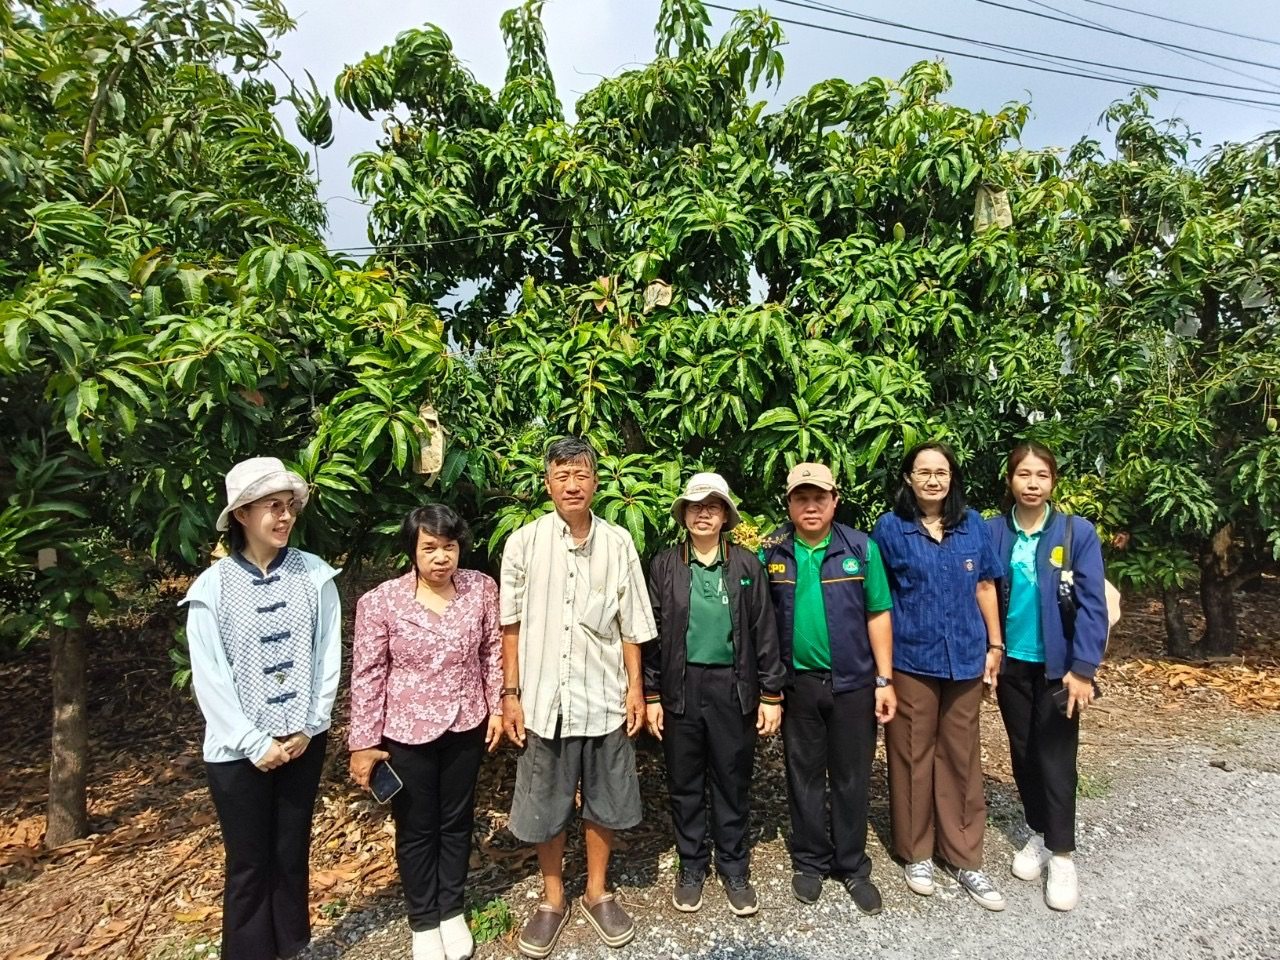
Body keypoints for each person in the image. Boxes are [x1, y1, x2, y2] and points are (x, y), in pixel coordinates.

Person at [498, 437, 657, 958]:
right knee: (546, 804)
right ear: (547, 483)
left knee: (605, 802)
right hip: (544, 698)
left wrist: (636, 688)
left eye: (581, 474)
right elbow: (511, 626)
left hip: (605, 696)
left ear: (595, 482)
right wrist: (511, 693)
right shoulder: (523, 544)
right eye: (562, 475)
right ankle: (551, 899)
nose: (572, 484)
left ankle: (596, 891)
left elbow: (632, 624)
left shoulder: (618, 544)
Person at [181, 456, 342, 960]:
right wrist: (253, 741)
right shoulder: (211, 589)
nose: (284, 516)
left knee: (291, 853)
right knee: (249, 862)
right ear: (243, 515)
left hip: (301, 741)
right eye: (272, 506)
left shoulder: (315, 576)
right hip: (236, 752)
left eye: (289, 506)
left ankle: (293, 946)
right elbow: (210, 677)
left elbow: (327, 655)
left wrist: (310, 726)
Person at [348, 505, 505, 960]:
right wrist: (364, 741)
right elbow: (369, 674)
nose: (441, 557)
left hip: (466, 723)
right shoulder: (381, 602)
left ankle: (451, 909)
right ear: (412, 551)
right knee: (416, 827)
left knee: (456, 821)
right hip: (406, 731)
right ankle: (422, 920)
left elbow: (491, 653)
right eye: (430, 548)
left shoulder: (480, 589)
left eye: (449, 547)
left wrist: (496, 708)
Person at [870, 442, 1006, 911]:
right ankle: (917, 852)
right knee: (911, 752)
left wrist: (995, 645)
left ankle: (965, 856)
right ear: (908, 477)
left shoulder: (973, 526)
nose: (933, 479)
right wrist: (881, 670)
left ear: (952, 478)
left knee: (962, 755)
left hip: (966, 657)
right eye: (923, 471)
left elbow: (985, 585)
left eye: (941, 472)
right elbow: (879, 599)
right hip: (911, 658)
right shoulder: (890, 528)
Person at [644, 473, 785, 916]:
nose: (703, 513)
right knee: (684, 782)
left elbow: (765, 629)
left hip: (733, 687)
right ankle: (691, 865)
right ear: (684, 514)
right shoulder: (665, 564)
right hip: (680, 689)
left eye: (713, 506)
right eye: (695, 506)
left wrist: (771, 693)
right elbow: (651, 635)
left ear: (725, 515)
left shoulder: (745, 564)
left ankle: (734, 865)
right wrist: (650, 695)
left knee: (731, 779)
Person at [760, 463, 896, 914]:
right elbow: (759, 619)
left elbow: (878, 613)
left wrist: (884, 679)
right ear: (790, 504)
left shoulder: (861, 548)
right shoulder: (772, 551)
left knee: (852, 777)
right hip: (798, 686)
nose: (811, 505)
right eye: (801, 497)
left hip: (854, 685)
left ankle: (852, 865)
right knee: (802, 776)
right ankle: (810, 861)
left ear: (835, 500)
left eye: (819, 496)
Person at [986, 441, 1109, 912]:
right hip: (1011, 661)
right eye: (1024, 475)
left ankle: (1062, 855)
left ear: (1052, 482)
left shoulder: (1077, 533)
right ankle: (1039, 832)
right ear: (1010, 481)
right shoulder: (995, 532)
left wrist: (1084, 669)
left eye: (1041, 475)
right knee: (1023, 753)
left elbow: (1093, 606)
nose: (1032, 483)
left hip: (1060, 668)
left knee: (1056, 756)